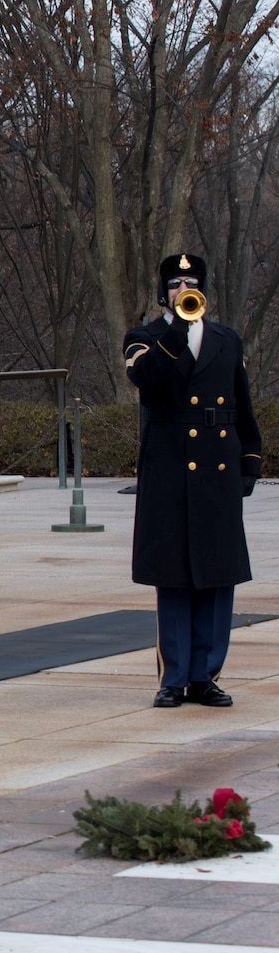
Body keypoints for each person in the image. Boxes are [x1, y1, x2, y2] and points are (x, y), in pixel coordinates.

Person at [125, 253, 264, 708]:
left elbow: (241, 405)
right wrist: (176, 332)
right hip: (169, 470)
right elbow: (147, 381)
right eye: (175, 282)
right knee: (175, 578)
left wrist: (249, 460)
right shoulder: (145, 338)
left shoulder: (227, 339)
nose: (184, 289)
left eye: (191, 281)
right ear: (162, 291)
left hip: (217, 470)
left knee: (217, 577)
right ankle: (174, 677)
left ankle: (206, 675)